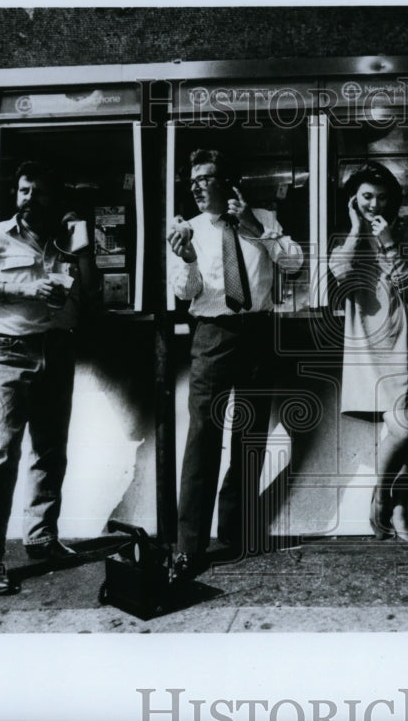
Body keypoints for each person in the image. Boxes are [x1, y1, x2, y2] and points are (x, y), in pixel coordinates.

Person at [0, 161, 101, 595]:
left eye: (38, 191)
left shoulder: (67, 243)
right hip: (7, 352)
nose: (29, 198)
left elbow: (91, 294)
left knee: (50, 453)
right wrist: (20, 289)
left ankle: (40, 539)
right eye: (23, 190)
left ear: (56, 199)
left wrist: (84, 245)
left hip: (57, 349)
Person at [167, 149, 304, 580]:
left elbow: (294, 263)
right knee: (203, 438)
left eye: (205, 177)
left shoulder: (262, 217)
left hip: (259, 333)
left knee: (250, 437)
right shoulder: (186, 230)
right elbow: (185, 292)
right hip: (212, 337)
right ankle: (189, 546)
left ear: (228, 182)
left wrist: (254, 229)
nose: (196, 185)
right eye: (193, 179)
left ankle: (233, 534)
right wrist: (187, 259)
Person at [329, 162, 408, 547]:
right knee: (405, 427)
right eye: (367, 196)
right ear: (354, 200)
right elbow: (340, 274)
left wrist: (388, 244)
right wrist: (356, 229)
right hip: (368, 343)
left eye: (382, 198)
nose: (374, 204)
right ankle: (384, 498)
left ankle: (395, 507)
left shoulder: (399, 234)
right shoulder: (344, 238)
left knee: (407, 432)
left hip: (403, 337)